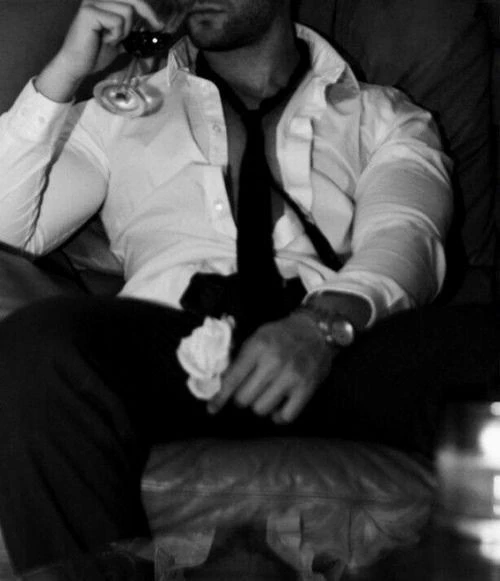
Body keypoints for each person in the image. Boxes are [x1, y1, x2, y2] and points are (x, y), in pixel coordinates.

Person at [0, 0, 498, 578]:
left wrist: (320, 327)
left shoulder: (384, 114)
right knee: (39, 347)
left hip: (337, 347)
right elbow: (9, 227)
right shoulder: (118, 111)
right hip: (172, 348)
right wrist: (65, 72)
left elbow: (407, 234)